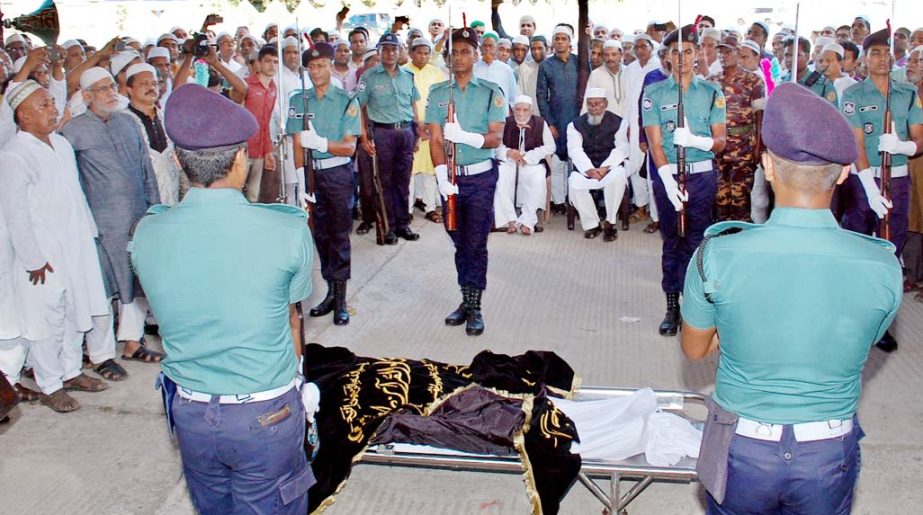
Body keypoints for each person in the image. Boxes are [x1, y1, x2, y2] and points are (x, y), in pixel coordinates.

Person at [683, 81, 902, 515]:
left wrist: (736, 327)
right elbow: (866, 339)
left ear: (766, 165)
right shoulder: (882, 265)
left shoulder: (717, 253)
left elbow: (694, 349)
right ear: (843, 173)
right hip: (826, 452)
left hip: (741, 448)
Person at [131, 84, 313, 514]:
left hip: (190, 412)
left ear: (176, 160)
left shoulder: (148, 232)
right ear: (239, 159)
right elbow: (292, 320)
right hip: (265, 414)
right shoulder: (287, 230)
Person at [0, 81, 118, 412]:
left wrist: (88, 234)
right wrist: (32, 258)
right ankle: (50, 383)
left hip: (75, 243)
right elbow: (15, 214)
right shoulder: (13, 155)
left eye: (52, 103)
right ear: (22, 115)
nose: (53, 110)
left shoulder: (62, 145)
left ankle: (70, 371)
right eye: (44, 105)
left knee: (73, 310)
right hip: (41, 254)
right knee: (44, 317)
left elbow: (76, 196)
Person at [59, 67, 164, 363]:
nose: (110, 93)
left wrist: (154, 210)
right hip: (99, 224)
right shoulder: (73, 131)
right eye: (102, 89)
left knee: (136, 279)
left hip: (137, 217)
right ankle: (100, 354)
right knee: (101, 287)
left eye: (110, 87)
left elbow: (147, 170)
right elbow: (71, 183)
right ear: (87, 96)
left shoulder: (128, 123)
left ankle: (132, 342)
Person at [841, 28, 923, 352]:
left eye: (886, 52)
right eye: (874, 52)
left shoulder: (907, 93)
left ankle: (882, 323)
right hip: (865, 180)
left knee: (889, 250)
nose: (881, 58)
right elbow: (857, 144)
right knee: (859, 247)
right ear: (864, 59)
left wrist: (903, 145)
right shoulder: (854, 96)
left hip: (899, 179)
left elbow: (920, 138)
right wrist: (869, 188)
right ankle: (853, 317)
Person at [642, 25, 726, 336]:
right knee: (672, 240)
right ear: (666, 57)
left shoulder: (711, 94)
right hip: (669, 176)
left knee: (696, 240)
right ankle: (672, 305)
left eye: (688, 51)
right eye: (675, 52)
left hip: (701, 175)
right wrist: (666, 179)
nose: (682, 57)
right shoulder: (653, 94)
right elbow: (654, 143)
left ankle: (694, 305)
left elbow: (720, 142)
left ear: (698, 54)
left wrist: (695, 140)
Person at [426, 27, 506, 336]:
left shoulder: (490, 91)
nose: (458, 57)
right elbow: (434, 139)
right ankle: (466, 297)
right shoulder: (437, 92)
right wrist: (440, 174)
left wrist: (466, 137)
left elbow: (496, 137)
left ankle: (475, 306)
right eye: (453, 52)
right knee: (458, 241)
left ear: (475, 55)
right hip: (451, 180)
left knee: (476, 242)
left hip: (481, 178)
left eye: (464, 51)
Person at [287, 43, 360, 326]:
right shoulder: (298, 100)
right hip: (312, 176)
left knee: (340, 236)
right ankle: (330, 291)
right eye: (312, 67)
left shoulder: (345, 100)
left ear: (331, 66)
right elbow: (296, 144)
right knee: (321, 236)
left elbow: (349, 147)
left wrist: (321, 143)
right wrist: (301, 180)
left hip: (338, 175)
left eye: (322, 65)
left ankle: (341, 298)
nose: (317, 71)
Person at [357, 33, 422, 244]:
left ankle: (403, 224)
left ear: (399, 51)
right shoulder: (369, 77)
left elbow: (413, 105)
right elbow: (359, 108)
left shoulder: (408, 76)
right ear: (379, 51)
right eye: (385, 49)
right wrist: (365, 138)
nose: (390, 53)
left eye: (394, 49)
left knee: (403, 182)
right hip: (382, 134)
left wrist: (417, 133)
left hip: (405, 132)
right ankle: (388, 227)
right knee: (384, 183)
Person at [709, 36, 765, 222]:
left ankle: (740, 236)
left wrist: (759, 146)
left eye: (728, 52)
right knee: (720, 195)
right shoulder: (712, 81)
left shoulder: (753, 81)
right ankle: (721, 234)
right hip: (718, 145)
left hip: (743, 146)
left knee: (740, 196)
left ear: (739, 54)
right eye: (721, 52)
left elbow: (760, 116)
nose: (723, 56)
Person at [567, 88, 631, 241]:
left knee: (618, 177)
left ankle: (610, 223)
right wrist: (588, 169)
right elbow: (575, 150)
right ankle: (592, 224)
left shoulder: (619, 122)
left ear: (605, 104)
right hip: (586, 168)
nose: (594, 108)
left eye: (598, 104)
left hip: (609, 167)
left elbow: (622, 148)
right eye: (590, 104)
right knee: (574, 184)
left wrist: (605, 167)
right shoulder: (575, 125)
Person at [124, 63, 184, 206]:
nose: (151, 88)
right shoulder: (122, 122)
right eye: (144, 83)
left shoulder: (167, 118)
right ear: (129, 89)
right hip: (141, 202)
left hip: (173, 199)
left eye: (155, 84)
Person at [494, 95, 554, 235]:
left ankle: (527, 220)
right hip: (510, 162)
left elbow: (550, 147)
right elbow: (496, 146)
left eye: (525, 110)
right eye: (518, 110)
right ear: (513, 110)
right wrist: (508, 152)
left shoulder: (540, 123)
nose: (521, 114)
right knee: (499, 175)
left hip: (531, 163)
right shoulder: (506, 122)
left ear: (531, 110)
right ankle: (510, 219)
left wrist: (529, 157)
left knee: (538, 177)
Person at [537, 25, 580, 214]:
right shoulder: (546, 65)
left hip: (577, 120)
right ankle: (559, 202)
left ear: (570, 41)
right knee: (557, 163)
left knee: (576, 161)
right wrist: (550, 123)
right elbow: (541, 96)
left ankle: (575, 201)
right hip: (556, 120)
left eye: (564, 38)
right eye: (557, 38)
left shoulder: (579, 62)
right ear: (552, 42)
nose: (560, 41)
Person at [404, 37, 446, 223]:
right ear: (411, 53)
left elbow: (441, 100)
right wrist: (415, 124)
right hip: (410, 128)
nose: (422, 56)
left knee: (430, 170)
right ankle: (407, 209)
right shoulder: (403, 72)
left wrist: (430, 124)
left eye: (426, 52)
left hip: (431, 128)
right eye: (419, 52)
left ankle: (430, 207)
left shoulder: (436, 73)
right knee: (410, 171)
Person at [231, 45, 278, 203]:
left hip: (259, 150)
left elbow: (266, 123)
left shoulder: (273, 88)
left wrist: (268, 151)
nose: (272, 65)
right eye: (268, 61)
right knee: (235, 191)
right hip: (242, 148)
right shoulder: (245, 85)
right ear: (259, 63)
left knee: (254, 195)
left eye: (275, 62)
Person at [583, 40, 627, 117]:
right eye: (606, 55)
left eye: (614, 54)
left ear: (621, 55)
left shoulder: (629, 72)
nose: (610, 58)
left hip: (628, 121)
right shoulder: (596, 74)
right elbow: (588, 100)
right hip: (605, 123)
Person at [475, 32, 518, 108]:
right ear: (480, 48)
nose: (487, 49)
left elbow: (513, 97)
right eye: (485, 45)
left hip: (500, 112)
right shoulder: (473, 68)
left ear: (496, 48)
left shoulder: (506, 69)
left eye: (490, 46)